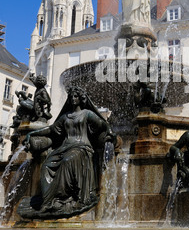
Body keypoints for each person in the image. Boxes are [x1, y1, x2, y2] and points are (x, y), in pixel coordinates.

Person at [17, 86, 116, 219]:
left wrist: (109, 133)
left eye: (75, 96)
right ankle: (47, 203)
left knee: (66, 162)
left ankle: (61, 198)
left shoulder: (87, 114)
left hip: (82, 148)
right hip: (65, 147)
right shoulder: (65, 117)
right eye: (71, 97)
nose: (73, 99)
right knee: (46, 166)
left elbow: (103, 124)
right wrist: (33, 133)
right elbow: (51, 129)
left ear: (81, 99)